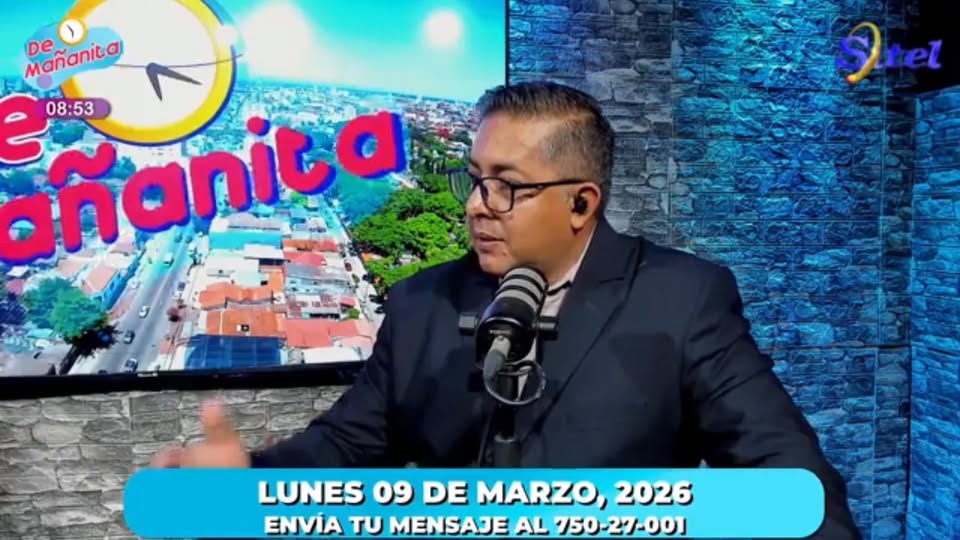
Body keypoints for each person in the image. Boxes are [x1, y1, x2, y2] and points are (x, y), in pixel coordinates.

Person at [152, 81, 861, 538]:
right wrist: (249, 483)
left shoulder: (681, 299)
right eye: (474, 180)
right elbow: (346, 445)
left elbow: (787, 476)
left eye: (505, 187)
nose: (474, 206)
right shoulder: (422, 302)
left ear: (581, 202)